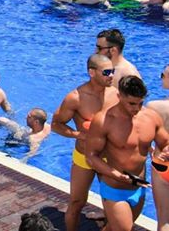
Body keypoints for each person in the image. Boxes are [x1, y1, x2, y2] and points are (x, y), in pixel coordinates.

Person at [86, 76, 169, 231]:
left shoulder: (151, 117)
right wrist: (117, 175)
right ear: (119, 96)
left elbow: (165, 142)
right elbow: (91, 156)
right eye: (131, 103)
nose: (136, 108)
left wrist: (165, 152)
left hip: (139, 188)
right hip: (115, 188)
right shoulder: (104, 120)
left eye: (140, 103)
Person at [51, 53, 118, 231]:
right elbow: (56, 125)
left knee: (113, 205)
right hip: (85, 157)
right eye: (106, 72)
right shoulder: (76, 98)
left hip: (109, 157)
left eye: (112, 71)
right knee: (76, 202)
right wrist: (78, 135)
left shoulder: (115, 94)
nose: (111, 75)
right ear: (92, 72)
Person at [147, 64, 169, 231]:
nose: (161, 78)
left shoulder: (153, 107)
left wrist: (151, 151)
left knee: (164, 219)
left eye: (163, 75)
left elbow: (143, 136)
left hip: (161, 164)